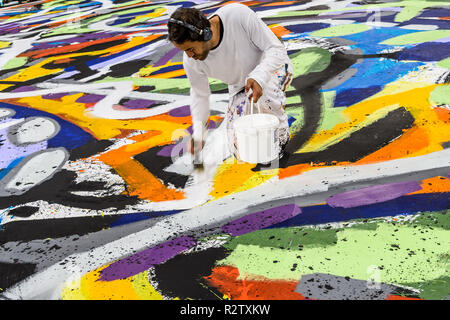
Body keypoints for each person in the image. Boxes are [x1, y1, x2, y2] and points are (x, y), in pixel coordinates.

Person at [167, 3, 293, 163]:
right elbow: (200, 96)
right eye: (184, 51)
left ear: (205, 34)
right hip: (241, 86)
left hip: (274, 69)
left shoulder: (238, 16)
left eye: (191, 49)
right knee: (238, 144)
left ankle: (281, 138)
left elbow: (276, 49)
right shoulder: (191, 61)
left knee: (264, 99)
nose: (190, 55)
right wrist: (200, 134)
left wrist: (259, 77)